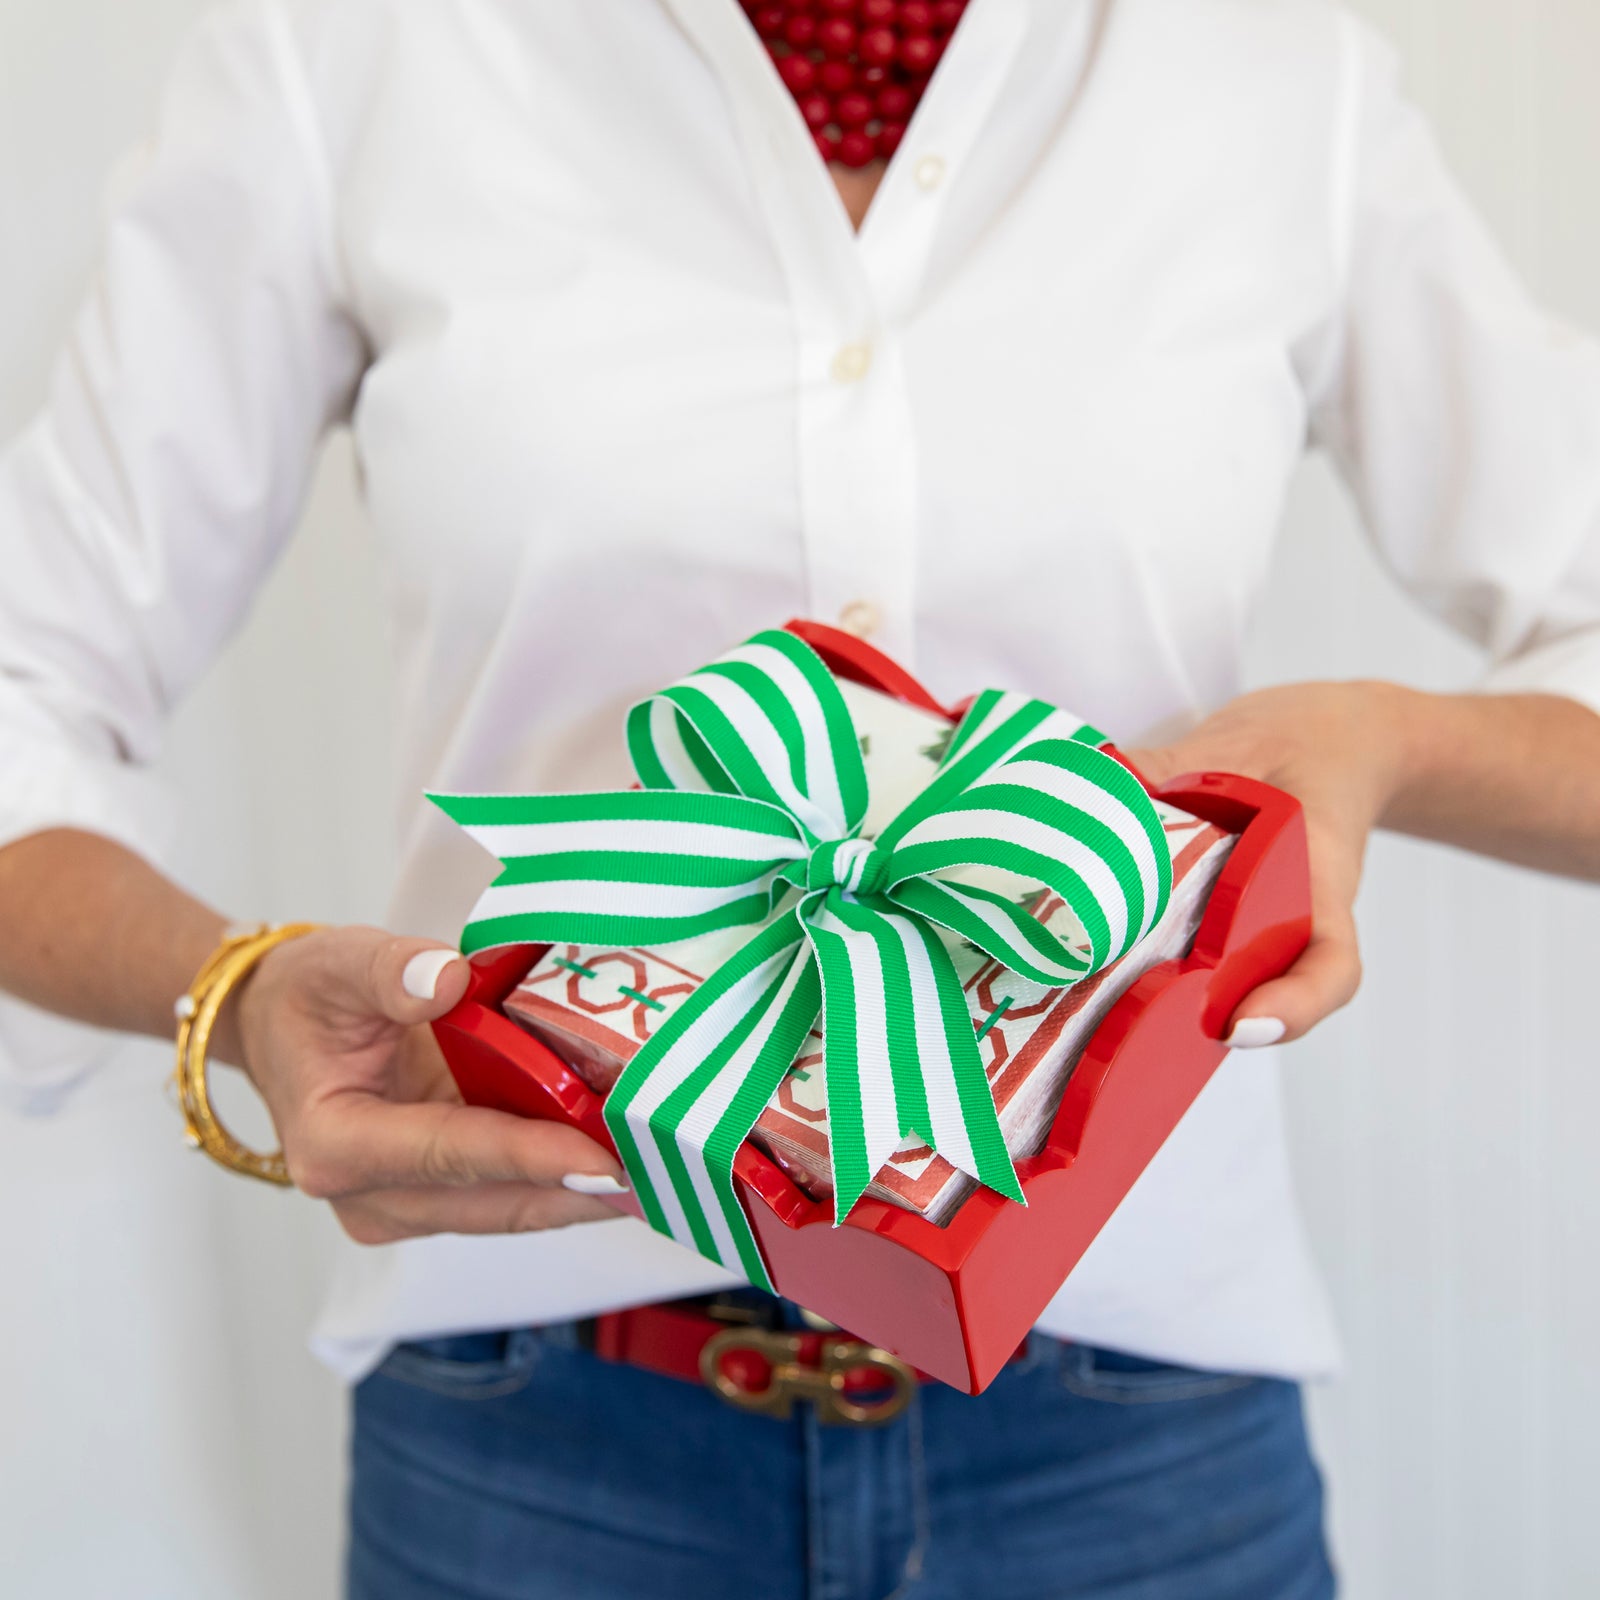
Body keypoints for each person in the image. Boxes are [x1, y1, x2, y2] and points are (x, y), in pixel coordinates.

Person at [3, 1, 1599, 1595]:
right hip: (540, 1436)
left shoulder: (1272, 76)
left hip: (1135, 1435)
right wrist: (232, 987)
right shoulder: (356, 49)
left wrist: (1388, 740)